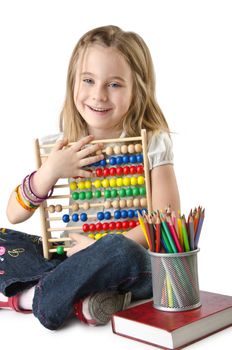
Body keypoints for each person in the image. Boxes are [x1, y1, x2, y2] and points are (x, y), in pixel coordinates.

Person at [0, 25, 180, 329]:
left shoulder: (152, 144)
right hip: (69, 258)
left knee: (119, 251)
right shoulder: (61, 146)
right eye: (88, 80)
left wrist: (100, 247)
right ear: (73, 82)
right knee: (5, 238)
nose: (98, 95)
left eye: (114, 84)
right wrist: (50, 171)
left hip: (126, 260)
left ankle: (33, 297)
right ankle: (83, 300)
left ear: (138, 88)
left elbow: (167, 219)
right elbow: (14, 214)